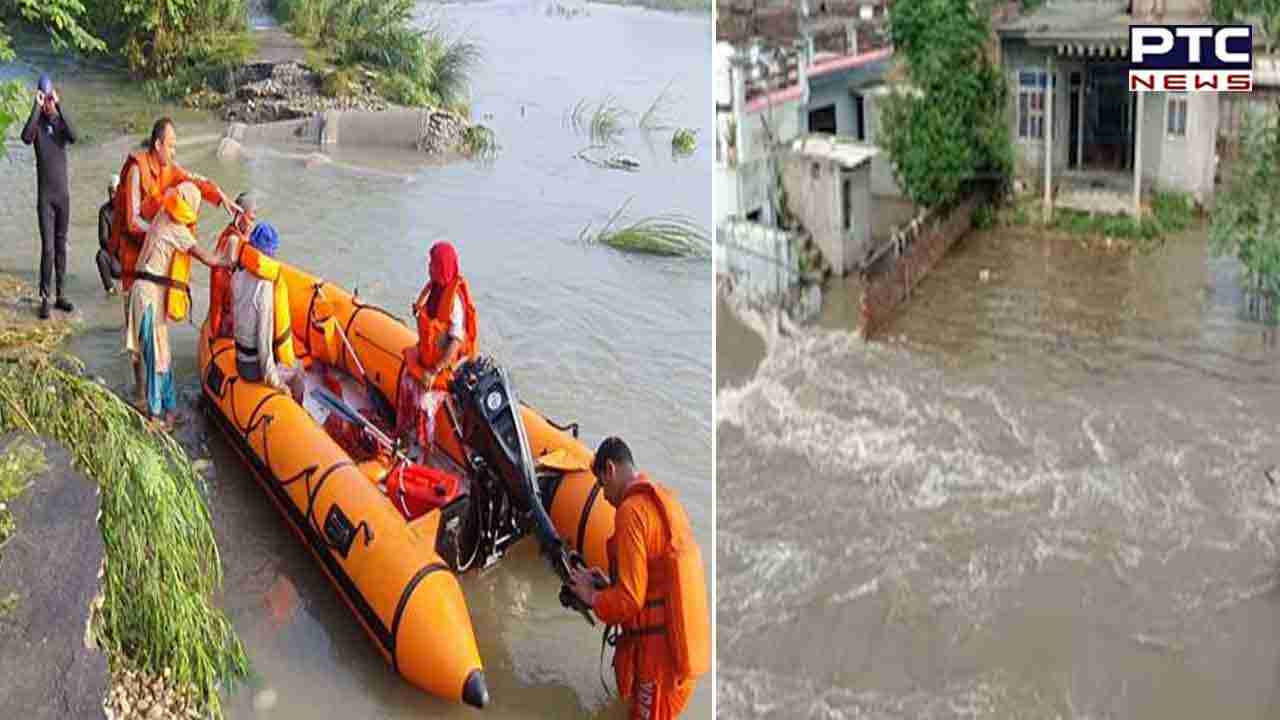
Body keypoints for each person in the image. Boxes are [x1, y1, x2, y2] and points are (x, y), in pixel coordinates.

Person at [568, 437, 710, 720]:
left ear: (610, 469)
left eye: (601, 486)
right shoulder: (663, 501)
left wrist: (592, 596)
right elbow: (653, 586)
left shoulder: (630, 513)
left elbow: (630, 601)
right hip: (679, 654)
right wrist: (609, 584)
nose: (605, 497)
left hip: (660, 664)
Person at [112, 117, 239, 400]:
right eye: (171, 146)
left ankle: (152, 393)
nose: (174, 151)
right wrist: (164, 231)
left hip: (158, 262)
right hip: (134, 263)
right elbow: (132, 222)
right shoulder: (137, 169)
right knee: (138, 334)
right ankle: (140, 393)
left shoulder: (170, 168)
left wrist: (221, 198)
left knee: (156, 334)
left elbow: (196, 181)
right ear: (157, 144)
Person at [125, 182, 232, 428]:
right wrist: (229, 259)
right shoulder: (176, 229)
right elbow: (209, 258)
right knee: (154, 356)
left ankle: (170, 410)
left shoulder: (162, 215)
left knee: (163, 354)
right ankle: (155, 416)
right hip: (148, 296)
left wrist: (216, 194)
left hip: (147, 292)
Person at [395, 241, 478, 450]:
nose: (429, 267)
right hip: (428, 357)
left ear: (442, 267)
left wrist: (435, 371)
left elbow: (456, 340)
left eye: (432, 264)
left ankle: (426, 451)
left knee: (425, 402)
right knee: (406, 382)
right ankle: (402, 436)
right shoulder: (433, 289)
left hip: (445, 365)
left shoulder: (454, 302)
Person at [20, 74, 76, 319]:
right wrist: (35, 105)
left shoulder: (60, 124)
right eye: (45, 99)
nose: (48, 104)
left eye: (50, 98)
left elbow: (74, 135)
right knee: (48, 249)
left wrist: (59, 107)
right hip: (45, 198)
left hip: (62, 196)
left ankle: (60, 295)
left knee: (61, 246)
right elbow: (24, 137)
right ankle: (44, 297)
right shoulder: (37, 126)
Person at [232, 222, 305, 404]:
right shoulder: (264, 287)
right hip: (253, 368)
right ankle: (297, 411)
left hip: (239, 357)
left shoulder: (238, 274)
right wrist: (275, 381)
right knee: (298, 369)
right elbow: (264, 342)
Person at [210, 191, 256, 338]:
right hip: (225, 308)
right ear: (240, 216)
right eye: (250, 217)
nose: (253, 222)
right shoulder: (233, 240)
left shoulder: (236, 234)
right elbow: (235, 279)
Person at [96, 174, 122, 295]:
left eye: (116, 192)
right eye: (111, 192)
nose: (113, 196)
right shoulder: (104, 211)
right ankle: (111, 289)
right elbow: (103, 240)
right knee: (101, 255)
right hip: (115, 257)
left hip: (131, 259)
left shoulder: (129, 207)